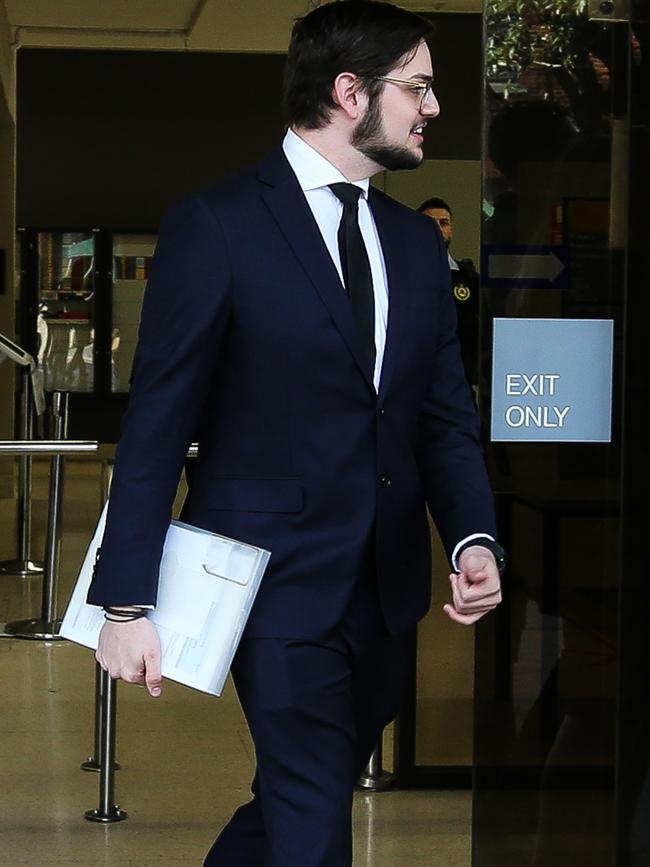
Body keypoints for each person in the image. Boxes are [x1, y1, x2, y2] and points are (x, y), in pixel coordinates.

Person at [88, 3, 504, 865]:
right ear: (352, 92)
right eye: (418, 87)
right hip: (271, 586)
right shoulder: (220, 224)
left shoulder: (414, 246)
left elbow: (441, 417)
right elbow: (159, 423)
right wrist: (123, 602)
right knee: (314, 812)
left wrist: (472, 534)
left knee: (292, 800)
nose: (433, 108)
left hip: (386, 591)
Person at [418, 196, 480, 386]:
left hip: (458, 375)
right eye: (430, 223)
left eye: (444, 223)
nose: (438, 229)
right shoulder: (398, 272)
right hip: (414, 374)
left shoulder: (468, 278)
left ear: (451, 229)